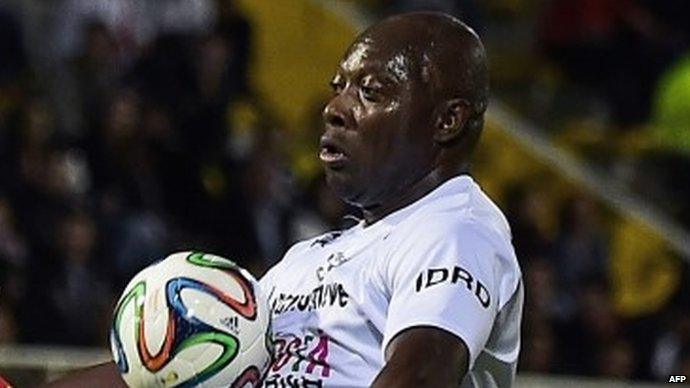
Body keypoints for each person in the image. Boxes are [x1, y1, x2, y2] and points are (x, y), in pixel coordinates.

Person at [42, 11, 522, 388]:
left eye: (371, 91)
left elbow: (420, 375)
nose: (335, 108)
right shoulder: (308, 258)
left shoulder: (456, 228)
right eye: (339, 89)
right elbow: (164, 363)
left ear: (447, 121)